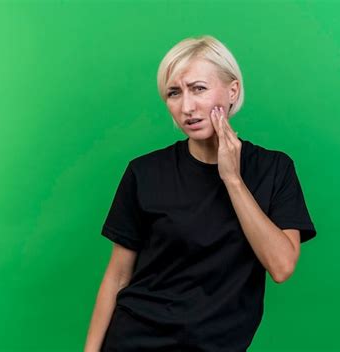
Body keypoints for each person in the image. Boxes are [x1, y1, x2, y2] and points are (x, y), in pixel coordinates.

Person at [84, 35, 317, 352]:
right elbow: (118, 275)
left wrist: (233, 179)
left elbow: (281, 266)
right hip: (135, 340)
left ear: (232, 91)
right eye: (174, 93)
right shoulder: (145, 173)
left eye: (199, 89)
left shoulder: (273, 170)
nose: (187, 107)